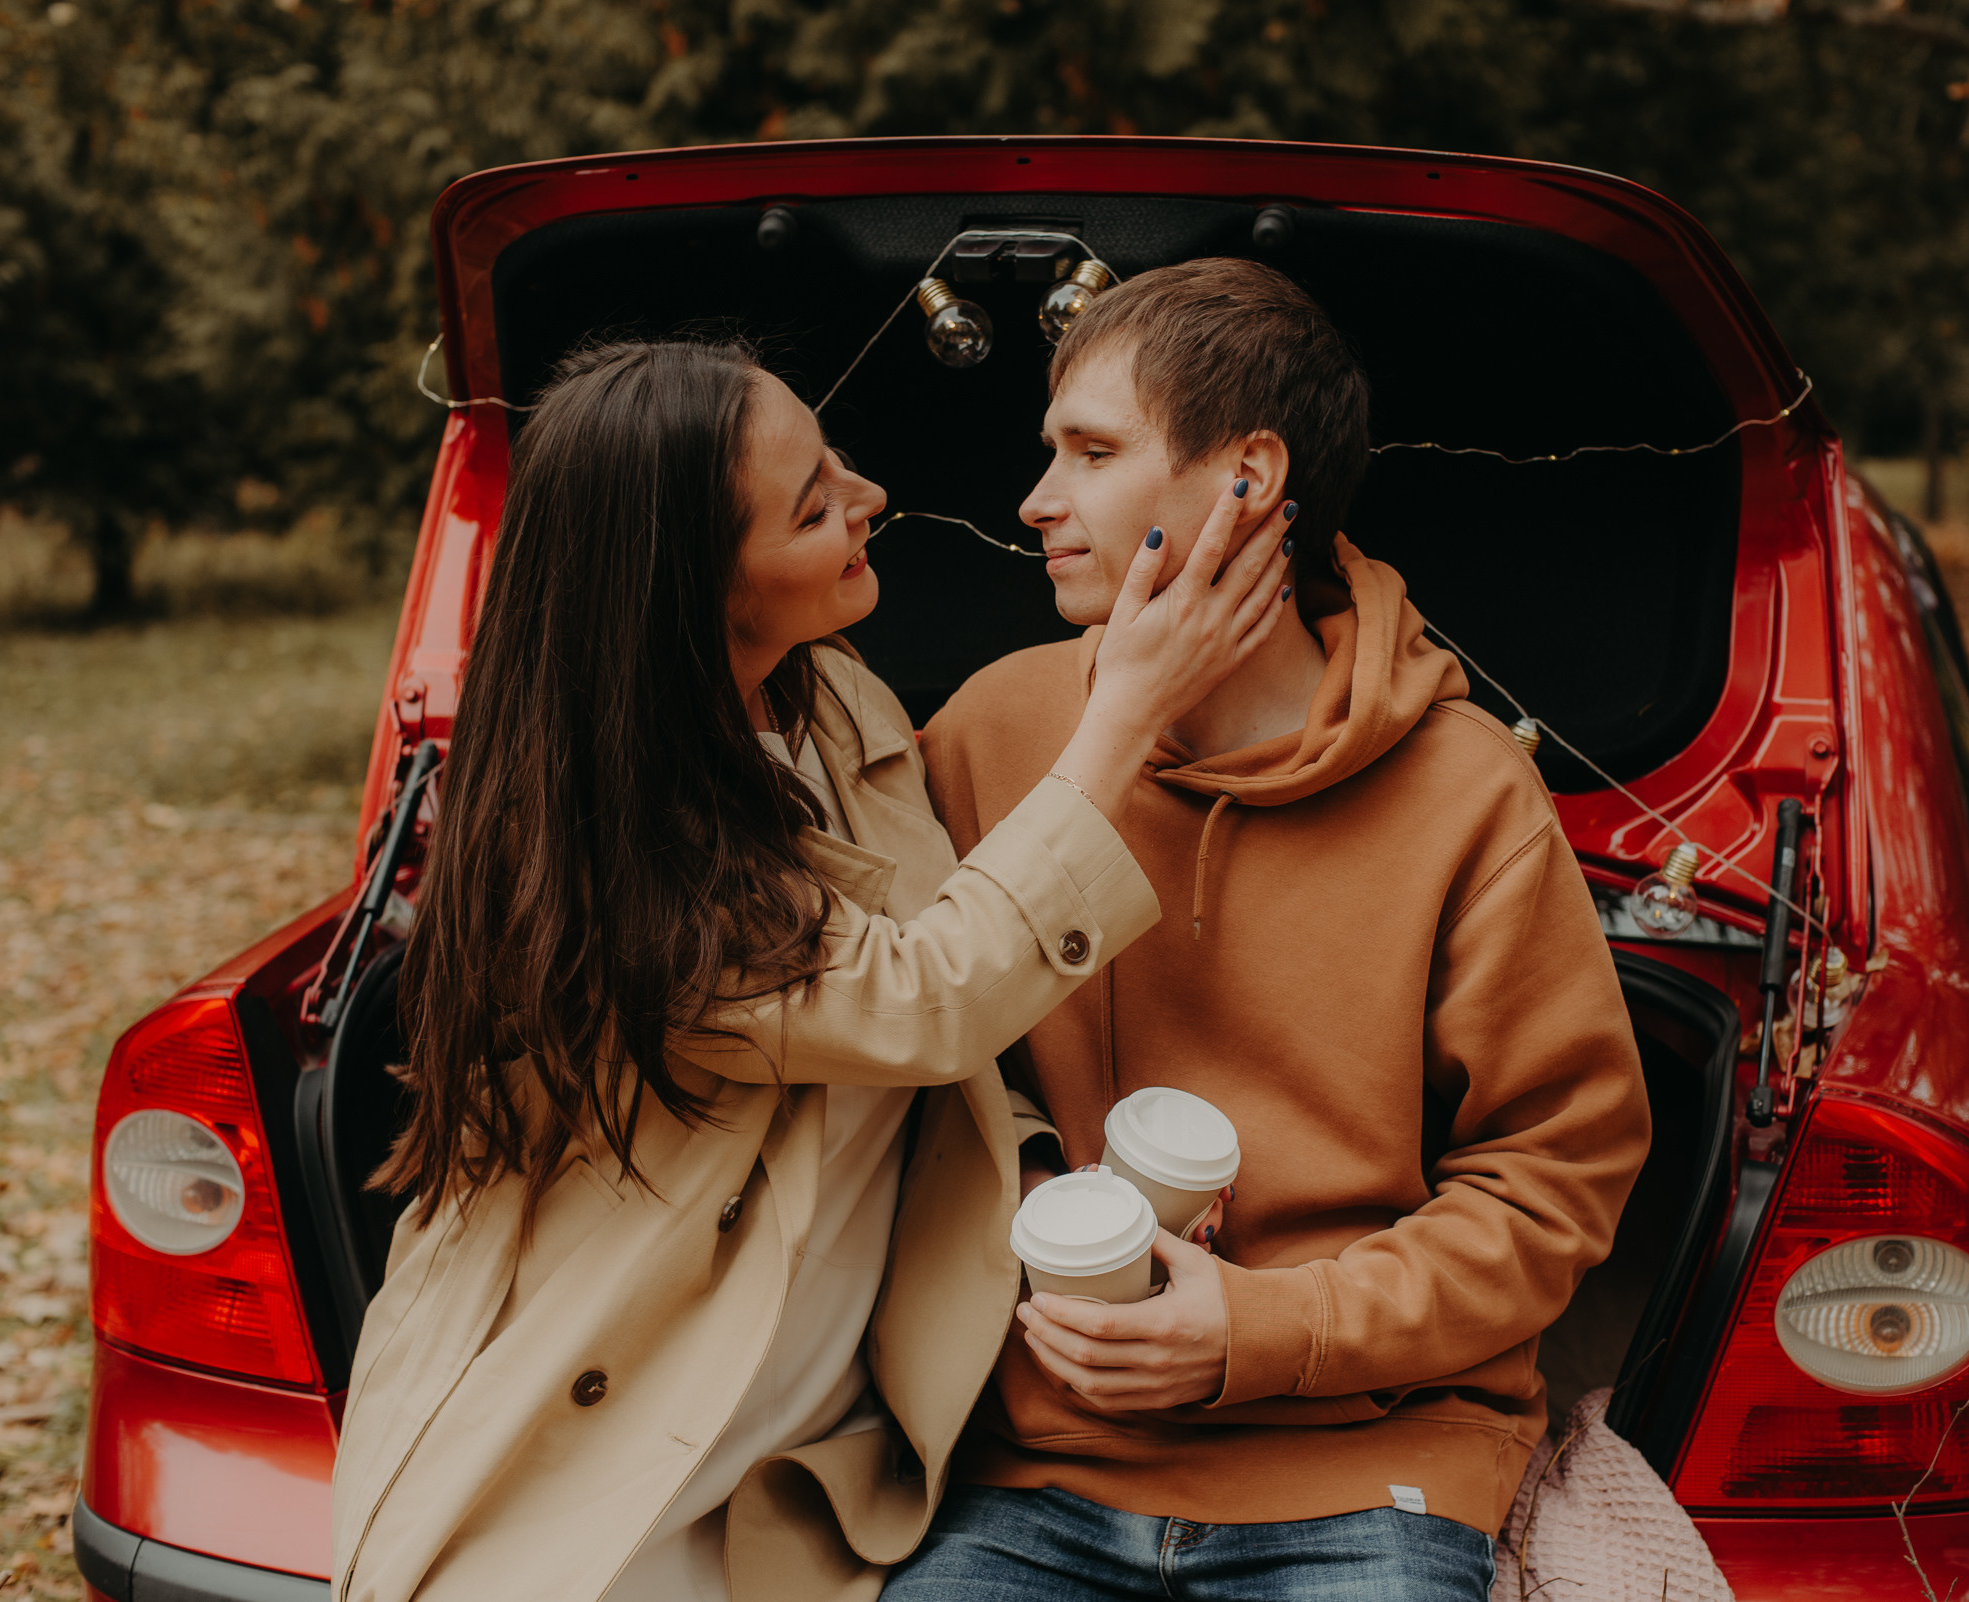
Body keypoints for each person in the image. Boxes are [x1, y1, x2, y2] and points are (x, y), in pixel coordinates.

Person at [328, 337, 1293, 1602]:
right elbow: (917, 1001)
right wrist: (1122, 715)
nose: (869, 496)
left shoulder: (833, 700)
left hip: (794, 1452)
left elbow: (918, 1033)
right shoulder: (606, 853)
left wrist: (1031, 1168)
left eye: (836, 459)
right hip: (586, 1449)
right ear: (700, 586)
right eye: (812, 504)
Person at [892, 259, 1653, 1601]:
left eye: (1092, 453)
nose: (1036, 502)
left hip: (1365, 1464)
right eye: (1049, 453)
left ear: (1247, 476)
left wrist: (1265, 1327)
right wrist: (1042, 1211)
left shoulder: (1469, 790)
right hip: (1038, 1464)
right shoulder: (991, 728)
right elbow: (904, 1057)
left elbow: (1551, 1186)